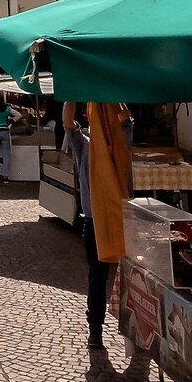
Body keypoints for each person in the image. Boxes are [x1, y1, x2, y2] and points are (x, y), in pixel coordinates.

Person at [62, 100, 133, 349]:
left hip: (121, 219)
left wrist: (107, 89)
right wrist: (73, 94)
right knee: (99, 277)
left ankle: (133, 332)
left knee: (126, 278)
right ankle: (95, 330)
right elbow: (67, 122)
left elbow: (124, 115)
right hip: (95, 222)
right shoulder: (85, 145)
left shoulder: (120, 140)